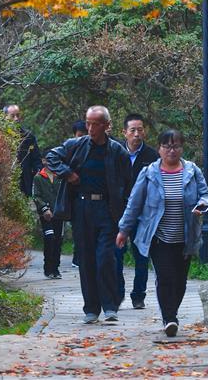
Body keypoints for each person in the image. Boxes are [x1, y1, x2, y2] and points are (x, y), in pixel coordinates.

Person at [116, 129, 208, 338]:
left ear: (182, 148)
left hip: (185, 236)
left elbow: (206, 195)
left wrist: (202, 206)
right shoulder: (149, 173)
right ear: (159, 149)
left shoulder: (192, 171)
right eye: (167, 146)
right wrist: (124, 230)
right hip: (158, 237)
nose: (171, 150)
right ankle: (169, 318)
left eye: (176, 146)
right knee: (165, 276)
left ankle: (172, 312)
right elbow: (134, 203)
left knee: (180, 281)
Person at [47, 106, 132, 324]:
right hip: (82, 209)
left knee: (105, 258)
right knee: (86, 259)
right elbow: (51, 157)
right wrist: (68, 174)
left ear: (106, 125)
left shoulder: (117, 151)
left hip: (107, 210)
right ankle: (91, 309)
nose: (90, 128)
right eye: (88, 123)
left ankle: (110, 307)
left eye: (95, 124)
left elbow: (128, 183)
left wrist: (126, 215)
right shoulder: (75, 145)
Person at [115, 112, 159, 309]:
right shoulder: (115, 153)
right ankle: (118, 291)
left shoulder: (151, 156)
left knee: (142, 255)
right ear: (124, 132)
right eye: (132, 130)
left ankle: (138, 295)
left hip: (144, 214)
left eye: (140, 130)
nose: (136, 134)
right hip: (120, 212)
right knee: (116, 254)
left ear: (144, 132)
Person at [32, 158, 64, 279]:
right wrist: (44, 208)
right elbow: (36, 196)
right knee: (49, 238)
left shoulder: (60, 177)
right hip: (46, 215)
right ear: (43, 161)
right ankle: (48, 268)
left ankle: (56, 268)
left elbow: (64, 194)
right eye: (49, 159)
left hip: (59, 213)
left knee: (58, 240)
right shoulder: (38, 177)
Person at [4, 104, 42, 198]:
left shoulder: (28, 137)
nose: (16, 119)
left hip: (25, 181)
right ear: (5, 117)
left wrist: (38, 172)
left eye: (18, 115)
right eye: (12, 116)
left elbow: (36, 159)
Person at [70, 118, 88, 266]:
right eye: (79, 135)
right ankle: (78, 256)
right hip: (75, 197)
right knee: (78, 229)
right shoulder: (69, 148)